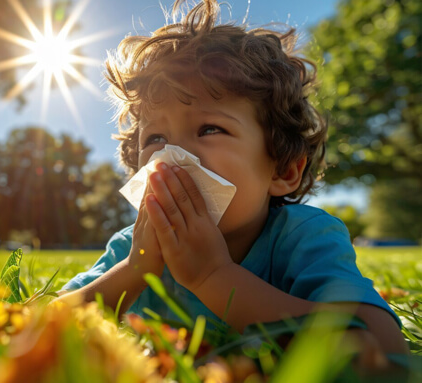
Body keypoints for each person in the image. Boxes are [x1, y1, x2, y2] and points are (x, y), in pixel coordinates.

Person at [58, 0, 408, 357]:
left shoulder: (304, 237)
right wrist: (134, 271)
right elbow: (39, 325)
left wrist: (214, 277)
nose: (173, 157)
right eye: (155, 139)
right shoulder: (133, 247)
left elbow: (380, 348)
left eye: (210, 129)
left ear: (283, 171)